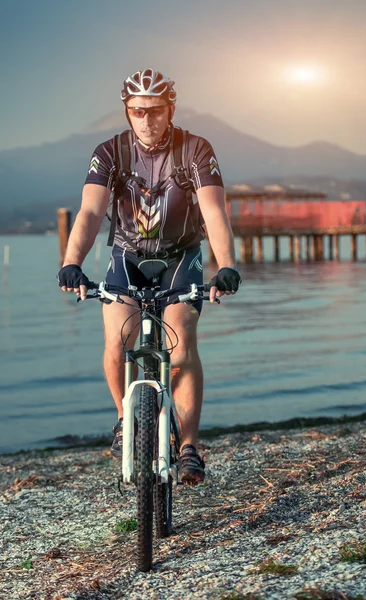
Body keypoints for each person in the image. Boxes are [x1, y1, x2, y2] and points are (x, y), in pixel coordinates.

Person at [57, 68, 241, 484]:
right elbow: (88, 212)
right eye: (137, 111)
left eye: (155, 111)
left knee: (181, 349)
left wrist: (226, 266)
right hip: (127, 257)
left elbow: (214, 212)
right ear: (126, 110)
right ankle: (125, 418)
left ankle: (189, 446)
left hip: (181, 257)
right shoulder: (110, 153)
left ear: (170, 109)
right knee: (116, 338)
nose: (146, 120)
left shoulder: (195, 149)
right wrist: (72, 262)